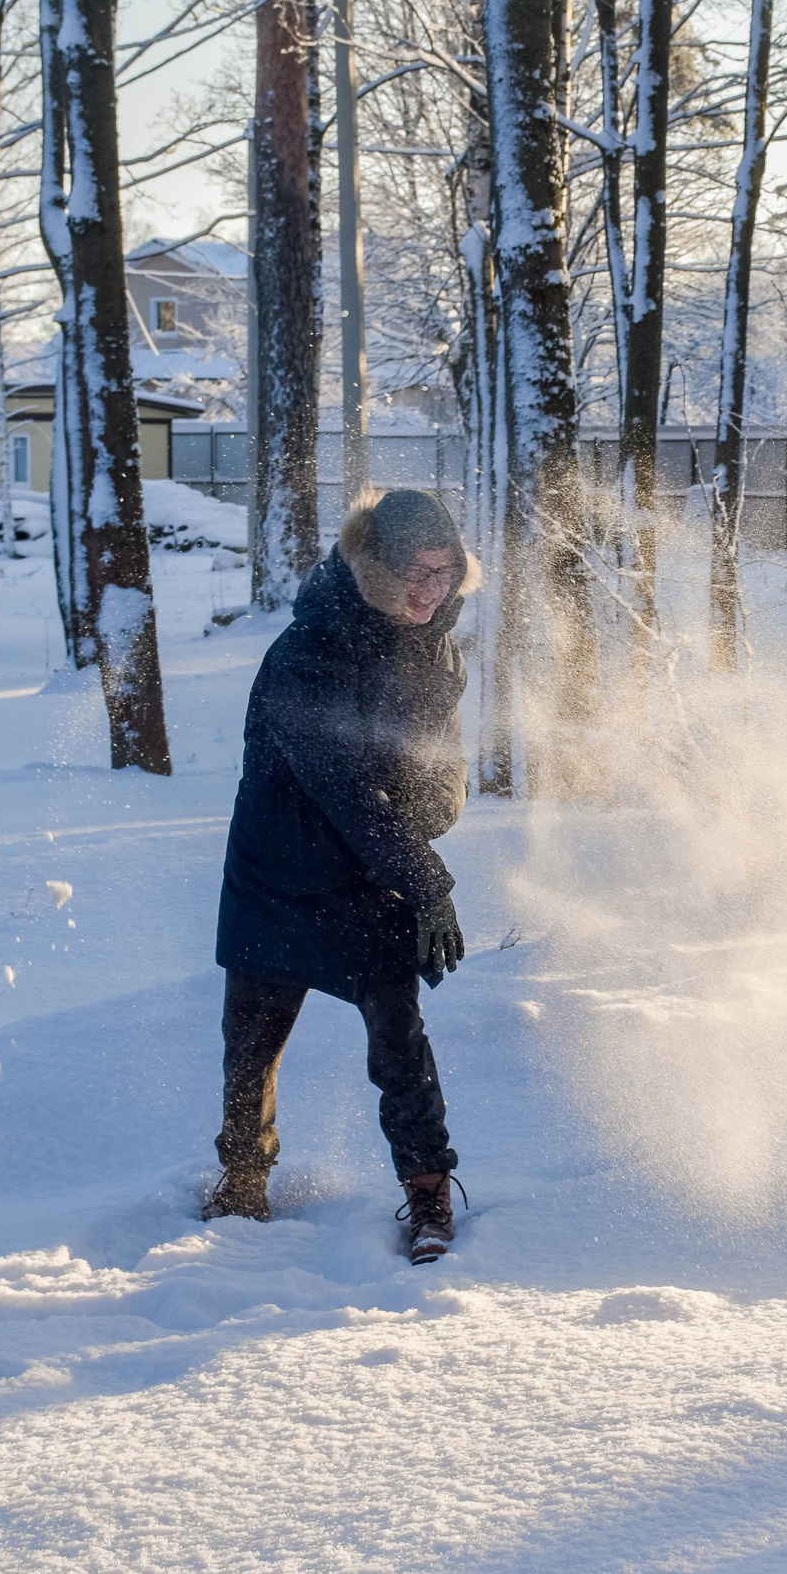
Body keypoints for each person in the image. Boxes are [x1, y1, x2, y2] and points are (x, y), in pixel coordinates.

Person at [205, 489, 475, 1264]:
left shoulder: (436, 645)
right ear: (377, 568)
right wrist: (428, 879)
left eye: (446, 569)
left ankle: (428, 1190)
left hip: (368, 877)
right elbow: (348, 792)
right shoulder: (306, 653)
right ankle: (242, 1180)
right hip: (278, 875)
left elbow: (440, 762)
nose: (432, 587)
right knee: (250, 1046)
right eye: (416, 571)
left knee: (400, 1037)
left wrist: (439, 805)